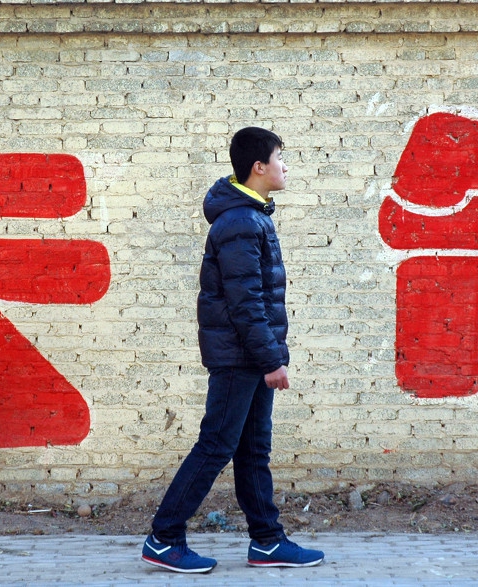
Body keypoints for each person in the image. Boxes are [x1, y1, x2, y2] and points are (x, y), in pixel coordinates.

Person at [140, 127, 325, 573]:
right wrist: (271, 360)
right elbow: (247, 303)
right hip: (240, 358)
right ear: (258, 167)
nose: (286, 166)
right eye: (281, 157)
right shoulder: (241, 221)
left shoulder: (251, 216)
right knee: (216, 445)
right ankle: (164, 538)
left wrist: (269, 356)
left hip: (250, 355)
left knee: (252, 449)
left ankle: (266, 541)